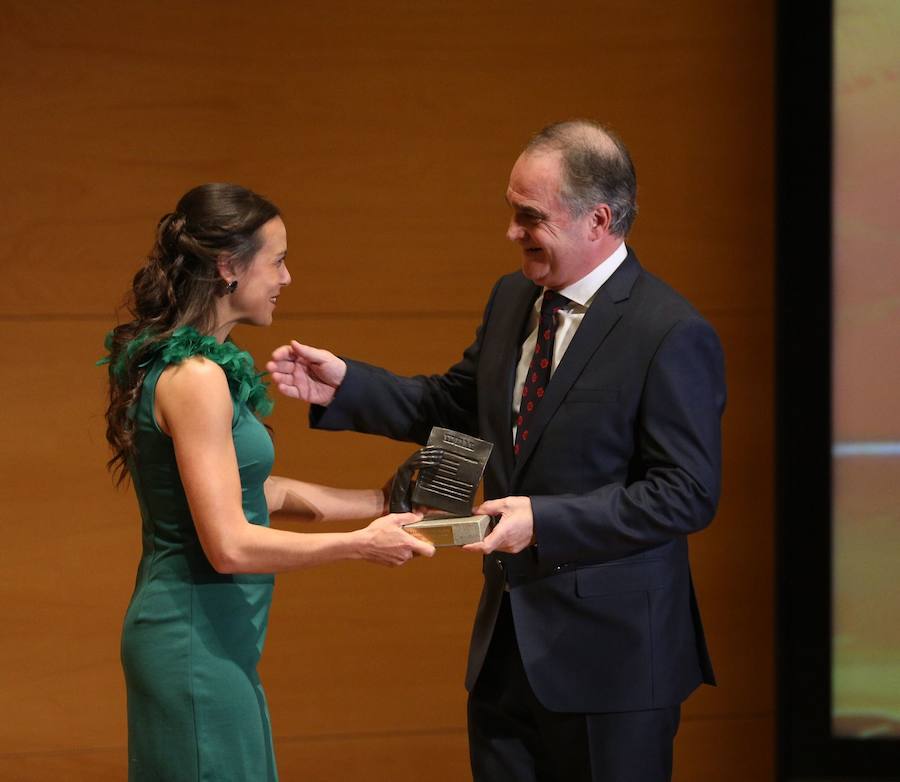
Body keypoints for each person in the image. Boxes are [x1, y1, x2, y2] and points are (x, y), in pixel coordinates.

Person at [267, 121, 726, 781]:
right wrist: (349, 385)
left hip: (615, 666)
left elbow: (686, 492)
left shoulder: (671, 331)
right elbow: (461, 407)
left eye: (529, 217)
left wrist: (545, 520)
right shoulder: (513, 298)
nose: (512, 232)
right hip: (506, 653)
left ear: (597, 219)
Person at [100, 183, 434, 782]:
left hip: (213, 638)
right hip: (191, 639)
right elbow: (228, 544)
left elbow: (255, 491)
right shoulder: (196, 377)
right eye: (277, 260)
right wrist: (363, 543)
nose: (288, 276)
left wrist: (381, 501)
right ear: (229, 267)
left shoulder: (201, 369)